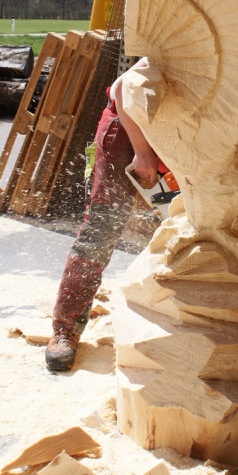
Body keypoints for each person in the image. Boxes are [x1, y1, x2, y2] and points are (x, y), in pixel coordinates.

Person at [45, 57, 159, 371]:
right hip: (125, 130)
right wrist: (142, 152)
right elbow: (122, 89)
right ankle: (65, 328)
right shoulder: (182, 45)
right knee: (102, 227)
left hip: (167, 133)